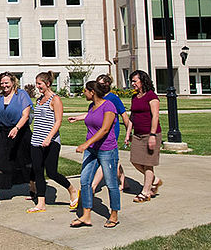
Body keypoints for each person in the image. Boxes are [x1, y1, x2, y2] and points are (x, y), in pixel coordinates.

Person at [71, 80, 120, 228]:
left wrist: (85, 144)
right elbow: (92, 117)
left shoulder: (109, 106)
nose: (83, 93)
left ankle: (114, 214)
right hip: (92, 150)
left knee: (111, 183)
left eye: (85, 90)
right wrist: (78, 118)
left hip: (107, 150)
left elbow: (104, 129)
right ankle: (86, 215)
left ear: (92, 92)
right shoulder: (92, 106)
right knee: (85, 181)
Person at [28, 71, 78, 213]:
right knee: (38, 171)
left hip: (51, 141)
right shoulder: (39, 100)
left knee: (51, 172)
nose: (37, 87)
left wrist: (49, 138)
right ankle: (41, 203)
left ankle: (72, 190)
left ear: (48, 83)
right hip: (36, 141)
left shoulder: (55, 99)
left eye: (40, 84)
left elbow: (58, 121)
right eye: (37, 84)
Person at [0, 72, 33, 204]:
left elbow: (25, 115)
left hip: (20, 132)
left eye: (7, 82)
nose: (4, 85)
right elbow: (0, 117)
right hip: (4, 133)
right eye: (2, 83)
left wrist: (17, 128)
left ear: (13, 82)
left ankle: (34, 188)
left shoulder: (21, 95)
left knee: (25, 161)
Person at [69, 74, 128, 190]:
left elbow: (124, 116)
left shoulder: (113, 99)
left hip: (110, 133)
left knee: (105, 159)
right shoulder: (93, 103)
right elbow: (92, 115)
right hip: (96, 133)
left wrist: (128, 133)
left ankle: (93, 186)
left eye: (100, 84)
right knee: (113, 161)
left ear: (107, 84)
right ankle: (124, 182)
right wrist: (78, 118)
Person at [125, 70, 163, 203]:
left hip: (150, 134)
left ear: (143, 81)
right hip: (138, 135)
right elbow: (132, 116)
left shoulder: (152, 96)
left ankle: (145, 192)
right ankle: (155, 180)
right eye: (132, 81)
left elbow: (155, 116)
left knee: (148, 164)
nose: (133, 84)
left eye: (135, 81)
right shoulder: (135, 97)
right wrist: (128, 132)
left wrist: (152, 135)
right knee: (135, 160)